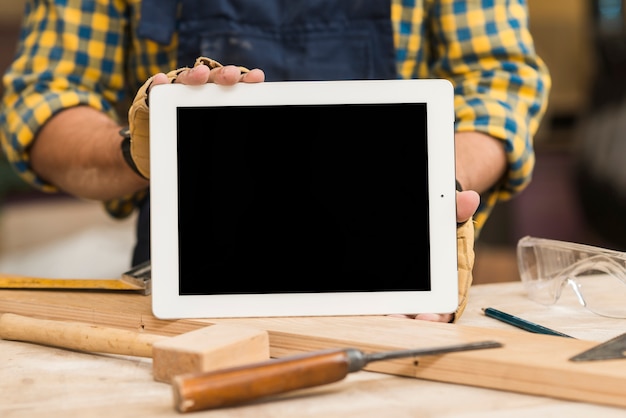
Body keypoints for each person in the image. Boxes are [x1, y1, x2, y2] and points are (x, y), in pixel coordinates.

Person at [0, 1, 550, 323]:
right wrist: (138, 149)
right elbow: (43, 97)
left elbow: (501, 83)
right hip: (193, 281)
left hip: (391, 273)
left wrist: (429, 188)